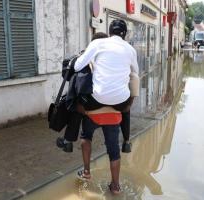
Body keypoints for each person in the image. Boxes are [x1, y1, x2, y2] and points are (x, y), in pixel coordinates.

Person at [73, 19, 139, 195]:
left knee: (85, 132)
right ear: (125, 34)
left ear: (110, 32)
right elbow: (135, 74)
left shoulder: (98, 43)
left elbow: (77, 66)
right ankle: (116, 186)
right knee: (113, 148)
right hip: (119, 104)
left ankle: (86, 172)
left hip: (97, 101)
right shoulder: (130, 50)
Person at [56, 32, 135, 154]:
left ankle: (68, 141)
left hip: (92, 101)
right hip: (115, 103)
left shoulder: (85, 56)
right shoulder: (115, 57)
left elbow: (74, 76)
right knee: (126, 106)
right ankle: (126, 142)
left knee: (76, 105)